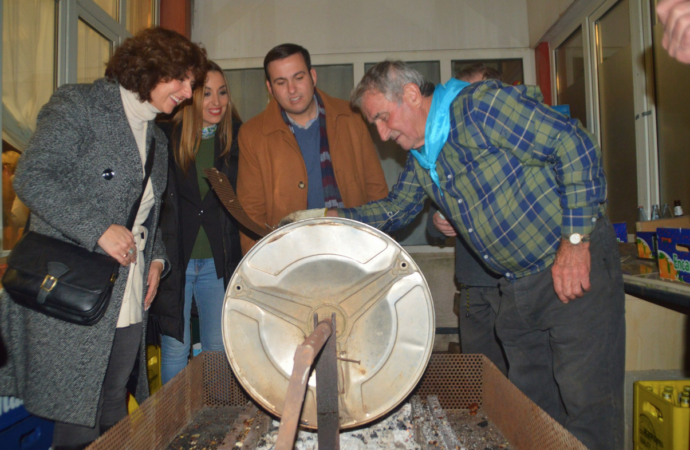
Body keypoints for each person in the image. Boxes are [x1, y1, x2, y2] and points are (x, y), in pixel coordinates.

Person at [284, 61, 625, 450]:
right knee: (535, 415)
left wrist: (576, 241)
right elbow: (395, 210)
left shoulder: (479, 107)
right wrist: (325, 216)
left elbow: (573, 143)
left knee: (588, 411)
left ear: (411, 95)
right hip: (517, 288)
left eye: (382, 117)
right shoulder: (425, 158)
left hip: (569, 268)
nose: (381, 133)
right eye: (373, 124)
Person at [0, 27, 207, 449]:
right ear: (151, 68)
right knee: (76, 417)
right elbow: (33, 177)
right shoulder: (80, 104)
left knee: (113, 403)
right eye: (182, 79)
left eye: (192, 83)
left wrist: (156, 260)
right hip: (71, 288)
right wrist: (96, 228)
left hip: (126, 293)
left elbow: (145, 215)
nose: (188, 92)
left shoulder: (156, 139)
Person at [237, 43, 388, 253]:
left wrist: (380, 250)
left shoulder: (351, 117)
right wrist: (262, 269)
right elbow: (251, 213)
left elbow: (376, 189)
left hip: (355, 248)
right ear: (270, 89)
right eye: (281, 82)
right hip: (290, 256)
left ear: (313, 77)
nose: (292, 90)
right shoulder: (252, 135)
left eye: (299, 78)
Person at [152, 61, 243, 384]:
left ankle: (215, 422)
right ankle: (174, 424)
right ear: (190, 97)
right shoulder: (164, 137)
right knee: (175, 347)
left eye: (221, 92)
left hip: (219, 262)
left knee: (217, 347)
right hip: (175, 261)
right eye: (206, 94)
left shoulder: (237, 140)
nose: (216, 102)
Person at [426, 62, 506, 376]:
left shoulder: (514, 145)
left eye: (471, 94)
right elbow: (432, 221)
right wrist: (436, 221)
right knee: (479, 376)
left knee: (518, 377)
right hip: (472, 285)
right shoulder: (449, 151)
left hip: (511, 286)